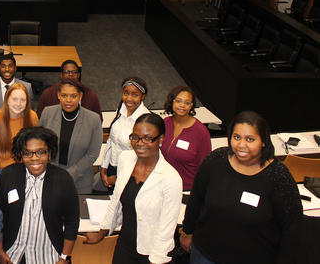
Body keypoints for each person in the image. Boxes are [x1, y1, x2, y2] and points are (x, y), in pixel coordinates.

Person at [179, 111, 302, 264]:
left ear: (263, 141)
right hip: (205, 254)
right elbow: (196, 199)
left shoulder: (278, 177)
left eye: (250, 139)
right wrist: (187, 232)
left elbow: (292, 228)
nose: (241, 145)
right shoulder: (215, 161)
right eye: (236, 137)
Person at [85, 113, 182, 264]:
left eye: (147, 138)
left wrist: (155, 261)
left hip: (151, 253)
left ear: (161, 139)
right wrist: (102, 232)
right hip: (125, 245)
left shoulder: (171, 179)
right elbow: (116, 200)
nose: (139, 143)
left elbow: (166, 230)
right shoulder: (126, 159)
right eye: (135, 137)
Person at [0, 126, 80, 264]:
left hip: (49, 257)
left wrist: (65, 257)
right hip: (12, 256)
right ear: (21, 155)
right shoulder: (8, 175)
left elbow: (72, 222)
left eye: (41, 152)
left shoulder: (63, 179)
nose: (35, 158)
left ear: (49, 154)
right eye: (28, 153)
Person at [39, 78, 102, 193]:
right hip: (50, 176)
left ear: (80, 96)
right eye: (64, 96)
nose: (68, 100)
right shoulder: (47, 113)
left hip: (80, 181)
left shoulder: (93, 119)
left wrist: (71, 173)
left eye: (73, 96)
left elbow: (92, 154)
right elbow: (41, 144)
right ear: (58, 95)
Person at [99, 77, 151, 191]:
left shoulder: (146, 120)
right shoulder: (121, 109)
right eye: (126, 93)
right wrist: (103, 168)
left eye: (134, 94)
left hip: (131, 175)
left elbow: (144, 159)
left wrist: (118, 178)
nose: (129, 99)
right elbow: (111, 141)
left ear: (143, 96)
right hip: (112, 169)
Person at [159, 86, 211, 190]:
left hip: (186, 188)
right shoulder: (165, 123)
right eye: (178, 101)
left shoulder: (201, 132)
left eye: (187, 103)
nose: (182, 105)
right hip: (162, 183)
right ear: (172, 102)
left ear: (191, 106)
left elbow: (205, 167)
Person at [0, 83, 38, 174]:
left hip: (26, 168)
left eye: (23, 100)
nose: (18, 104)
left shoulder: (32, 117)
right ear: (7, 99)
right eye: (14, 99)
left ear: (27, 102)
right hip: (0, 170)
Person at [37, 60, 102, 119]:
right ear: (61, 75)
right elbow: (40, 117)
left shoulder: (90, 94)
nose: (70, 75)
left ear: (78, 75)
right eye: (67, 72)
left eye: (74, 72)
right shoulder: (48, 93)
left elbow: (98, 120)